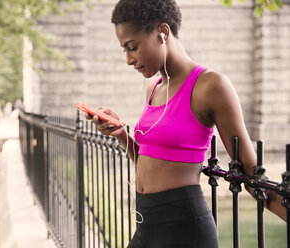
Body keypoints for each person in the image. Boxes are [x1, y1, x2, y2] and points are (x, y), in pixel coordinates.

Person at [86, 0, 286, 247]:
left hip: (184, 229)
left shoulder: (211, 86)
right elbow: (152, 159)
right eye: (124, 50)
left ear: (163, 32)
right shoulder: (154, 88)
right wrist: (121, 135)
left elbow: (251, 172)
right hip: (147, 225)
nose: (128, 59)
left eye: (132, 47)